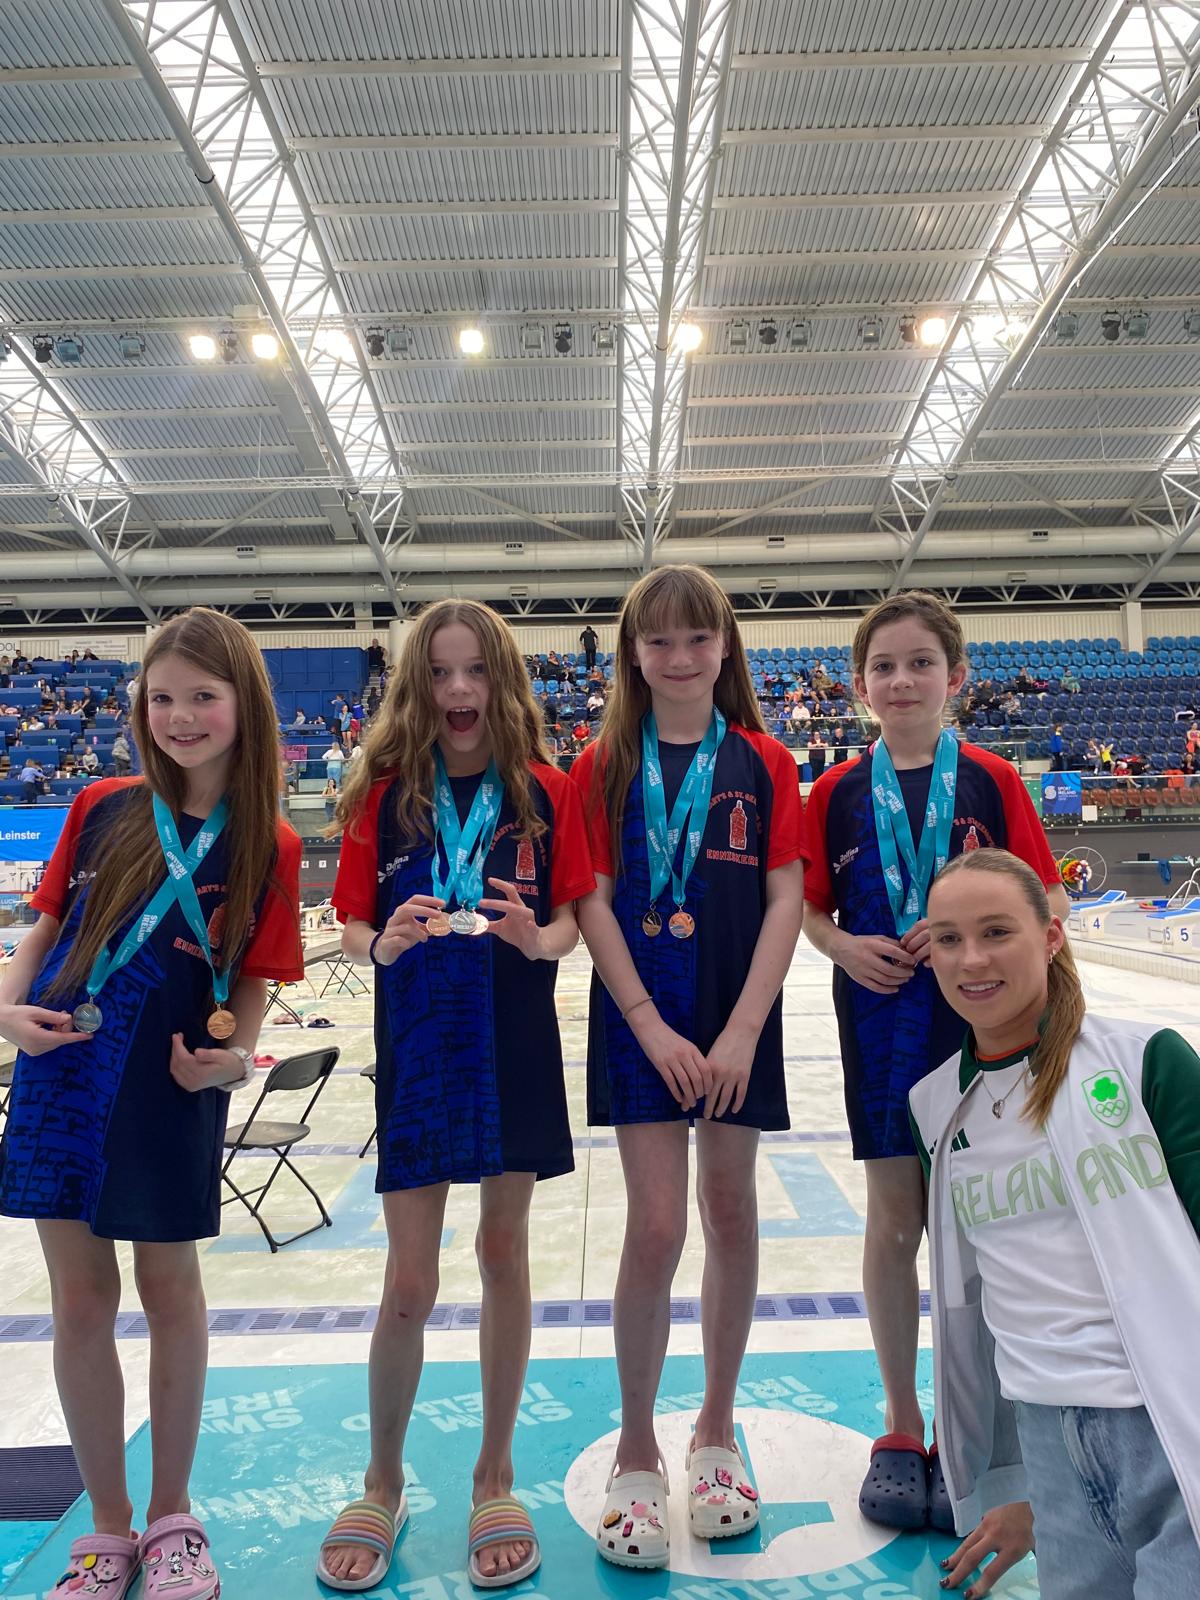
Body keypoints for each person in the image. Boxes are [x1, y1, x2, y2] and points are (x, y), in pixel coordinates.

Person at [0, 607, 303, 1600]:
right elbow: (43, 931)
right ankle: (109, 1528)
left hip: (173, 1080)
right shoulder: (99, 804)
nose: (179, 716)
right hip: (62, 1071)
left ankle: (173, 1516)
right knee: (80, 1303)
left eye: (202, 696)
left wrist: (232, 1063)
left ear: (242, 707)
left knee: (170, 1294)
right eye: (161, 696)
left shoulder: (269, 840)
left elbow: (251, 981)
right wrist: (5, 1010)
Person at [318, 599, 594, 1592]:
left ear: (503, 681)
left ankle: (494, 1472)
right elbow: (352, 928)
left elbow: (567, 928)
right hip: (422, 1046)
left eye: (476, 671)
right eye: (440, 673)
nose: (460, 690)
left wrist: (536, 939)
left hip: (513, 1035)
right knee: (410, 1278)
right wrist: (382, 942)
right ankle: (383, 1478)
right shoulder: (384, 792)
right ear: (416, 687)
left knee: (505, 1250)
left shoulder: (548, 792)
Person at [801, 590, 1067, 1532]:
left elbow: (1047, 909)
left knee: (989, 1226)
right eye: (883, 666)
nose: (902, 680)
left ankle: (983, 1427)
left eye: (921, 663)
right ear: (860, 684)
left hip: (987, 1028)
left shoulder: (993, 780)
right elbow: (807, 906)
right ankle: (900, 1420)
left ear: (956, 678)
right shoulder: (832, 793)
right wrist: (841, 948)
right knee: (893, 1220)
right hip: (879, 1019)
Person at [570, 565, 805, 1570]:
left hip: (736, 1010)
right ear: (631, 653)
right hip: (642, 1015)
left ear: (724, 648)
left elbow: (787, 900)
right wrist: (647, 1022)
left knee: (732, 1210)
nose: (678, 657)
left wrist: (744, 1030)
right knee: (657, 1225)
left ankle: (715, 1428)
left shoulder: (763, 760)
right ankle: (636, 1445)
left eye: (697, 639)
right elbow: (592, 901)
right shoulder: (603, 762)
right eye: (658, 641)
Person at [912, 848, 1200, 1597]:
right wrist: (1027, 1490)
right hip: (1049, 1439)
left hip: (1173, 1419)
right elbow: (981, 1304)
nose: (970, 959)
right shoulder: (935, 1109)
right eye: (947, 938)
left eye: (996, 931)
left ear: (1051, 935)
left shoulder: (1147, 1063)